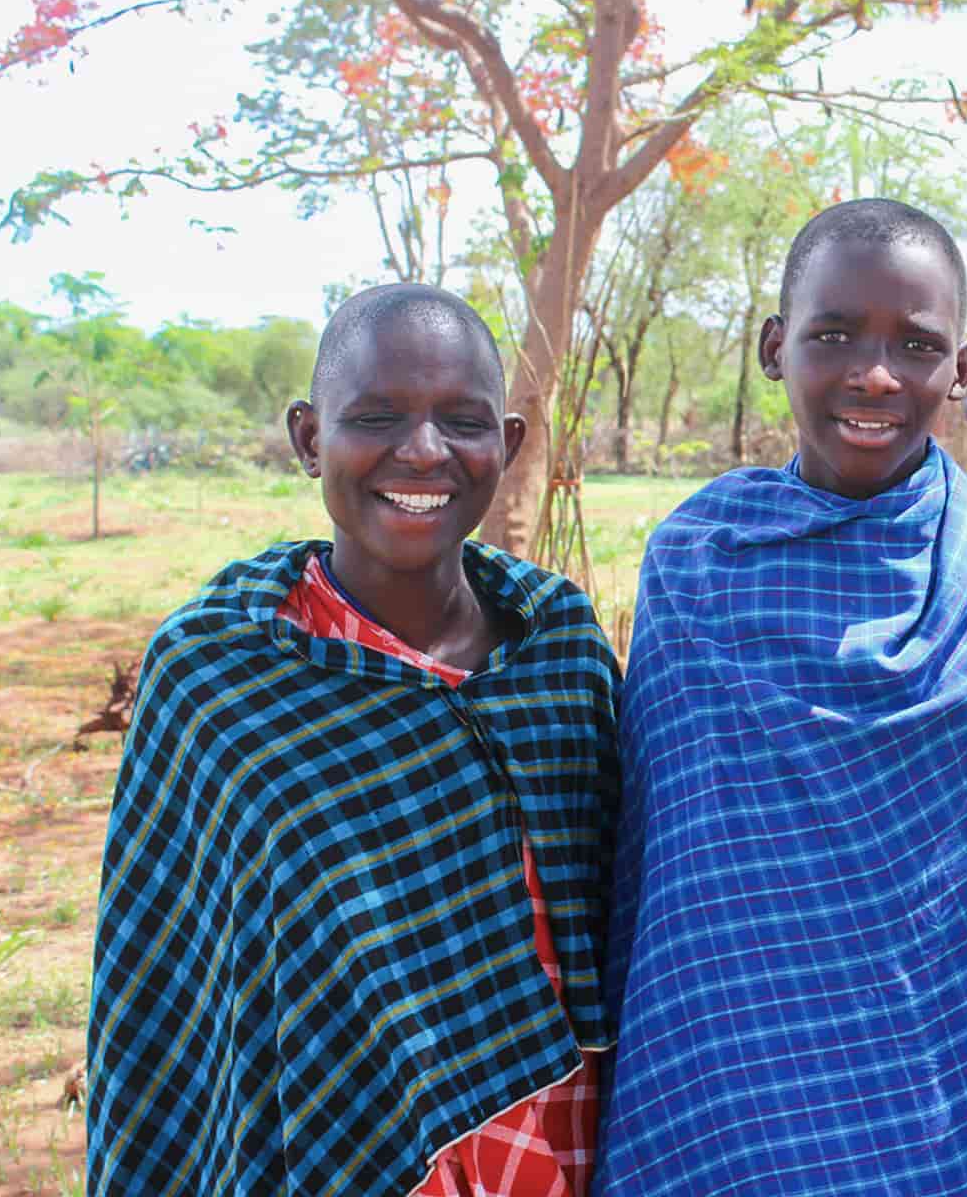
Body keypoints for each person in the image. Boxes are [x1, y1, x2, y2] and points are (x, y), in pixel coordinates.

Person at [597, 198, 967, 1194]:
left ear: (963, 369)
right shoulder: (695, 562)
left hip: (946, 1104)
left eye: (916, 344)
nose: (875, 375)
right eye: (834, 335)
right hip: (718, 1090)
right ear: (775, 347)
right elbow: (662, 863)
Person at [87, 285, 620, 1196]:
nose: (423, 452)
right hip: (343, 1145)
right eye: (376, 417)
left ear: (511, 443)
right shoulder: (219, 674)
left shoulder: (561, 648)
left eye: (463, 422)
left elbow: (621, 901)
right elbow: (167, 989)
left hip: (580, 1140)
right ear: (307, 438)